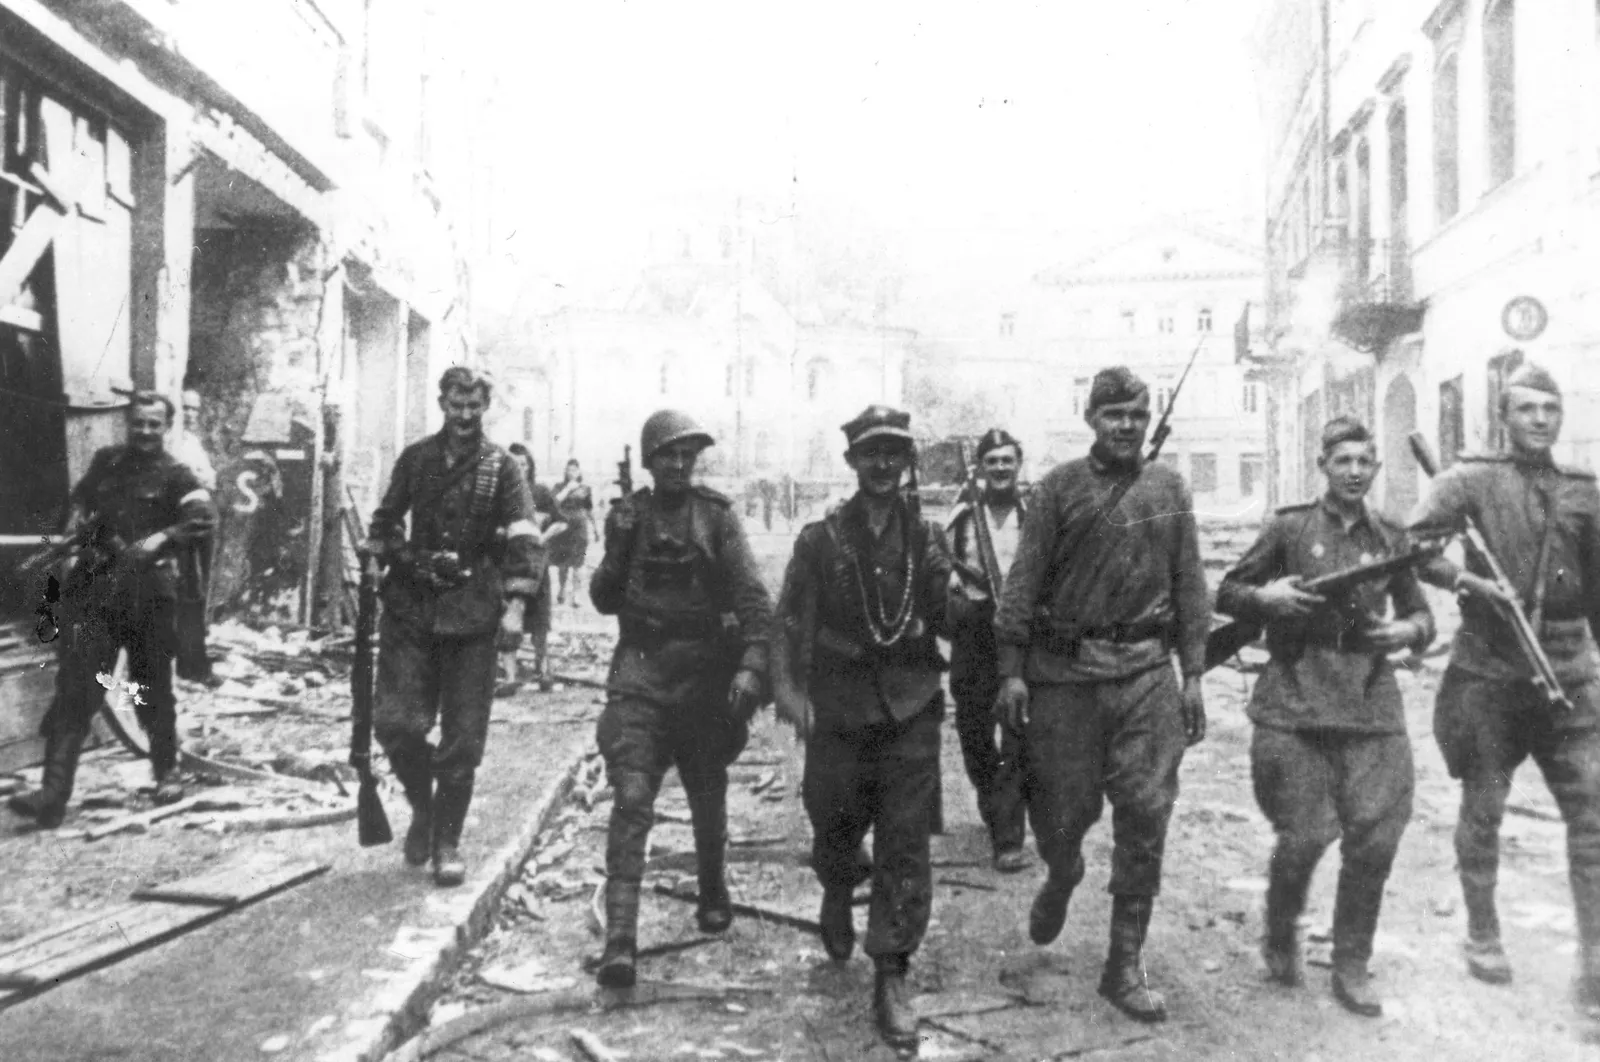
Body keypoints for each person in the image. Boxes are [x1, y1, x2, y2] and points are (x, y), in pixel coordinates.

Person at [991, 366, 1208, 1024]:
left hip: (1145, 671)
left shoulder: (1168, 487)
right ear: (1092, 419)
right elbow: (1022, 584)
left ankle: (1123, 962)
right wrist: (1011, 671)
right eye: (1114, 415)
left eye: (1138, 416)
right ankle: (1062, 874)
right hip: (1068, 677)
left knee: (1146, 812)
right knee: (1063, 816)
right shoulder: (1059, 488)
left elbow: (1191, 584)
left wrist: (1192, 674)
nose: (1127, 427)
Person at [1216, 416, 1434, 1016]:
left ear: (1375, 468)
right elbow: (1228, 591)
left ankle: (1351, 961)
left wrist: (1409, 628)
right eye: (1344, 462)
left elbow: (1421, 613)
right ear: (1323, 466)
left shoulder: (1390, 534)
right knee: (1307, 832)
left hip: (1368, 698)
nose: (1355, 472)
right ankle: (1282, 929)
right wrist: (1267, 598)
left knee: (1377, 836)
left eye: (1365, 462)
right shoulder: (1289, 527)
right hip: (1295, 696)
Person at [1407, 362, 1600, 1007]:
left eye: (1550, 409)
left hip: (1568, 672)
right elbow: (1416, 548)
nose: (1540, 420)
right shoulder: (1468, 480)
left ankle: (1595, 957)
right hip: (1490, 673)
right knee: (1483, 808)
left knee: (1592, 816)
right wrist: (1468, 581)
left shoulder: (1584, 489)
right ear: (1504, 417)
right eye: (1526, 409)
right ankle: (1483, 933)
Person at [771, 404, 953, 1051]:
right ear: (852, 462)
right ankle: (837, 884)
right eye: (871, 453)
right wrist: (792, 696)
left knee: (905, 842)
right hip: (840, 706)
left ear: (907, 463)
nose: (883, 465)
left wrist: (965, 604)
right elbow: (789, 622)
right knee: (833, 819)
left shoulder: (929, 538)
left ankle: (893, 971)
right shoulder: (821, 540)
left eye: (894, 454)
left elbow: (945, 609)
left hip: (909, 704)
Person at [591, 410, 772, 989]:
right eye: (667, 454)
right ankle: (621, 937)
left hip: (702, 676)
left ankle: (713, 888)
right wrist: (617, 544)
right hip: (640, 673)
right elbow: (602, 598)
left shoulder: (715, 518)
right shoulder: (630, 516)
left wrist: (750, 667)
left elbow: (754, 603)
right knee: (632, 795)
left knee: (705, 787)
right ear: (647, 461)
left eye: (687, 455)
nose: (677, 464)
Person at [364, 367, 542, 887]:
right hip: (413, 607)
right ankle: (424, 804)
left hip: (472, 611)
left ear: (485, 407)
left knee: (462, 740)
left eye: (475, 407)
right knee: (395, 724)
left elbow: (525, 536)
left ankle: (446, 840)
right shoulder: (416, 458)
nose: (465, 416)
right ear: (442, 402)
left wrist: (514, 605)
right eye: (456, 405)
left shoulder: (502, 468)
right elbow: (386, 519)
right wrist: (388, 553)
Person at [9, 392, 216, 827]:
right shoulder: (106, 462)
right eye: (138, 423)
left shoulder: (178, 476)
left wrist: (162, 538)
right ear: (129, 423)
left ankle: (167, 773)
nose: (144, 431)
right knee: (76, 690)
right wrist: (74, 536)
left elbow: (202, 519)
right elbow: (79, 507)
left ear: (166, 427)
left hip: (147, 597)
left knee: (152, 689)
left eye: (153, 424)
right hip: (94, 594)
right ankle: (52, 797)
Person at [947, 427, 1031, 872]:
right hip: (974, 636)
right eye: (992, 461)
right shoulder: (962, 517)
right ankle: (993, 798)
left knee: (1018, 734)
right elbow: (941, 566)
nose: (1000, 468)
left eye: (1007, 460)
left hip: (1020, 637)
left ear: (1019, 465)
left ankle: (1009, 832)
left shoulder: (1034, 516)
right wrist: (952, 587)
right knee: (974, 733)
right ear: (980, 469)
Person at [504, 443, 564, 693]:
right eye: (515, 464)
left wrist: (542, 536)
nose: (521, 468)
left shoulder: (540, 492)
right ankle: (510, 676)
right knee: (510, 617)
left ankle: (543, 670)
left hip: (538, 564)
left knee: (540, 620)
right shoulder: (504, 494)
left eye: (524, 464)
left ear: (530, 467)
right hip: (511, 562)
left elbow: (562, 522)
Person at [168, 387, 218, 685]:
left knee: (197, 593)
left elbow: (210, 477)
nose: (190, 414)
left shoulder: (193, 442)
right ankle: (190, 664)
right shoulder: (170, 443)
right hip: (181, 523)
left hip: (201, 520)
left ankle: (194, 661)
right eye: (185, 408)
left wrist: (201, 477)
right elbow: (185, 479)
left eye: (195, 409)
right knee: (187, 591)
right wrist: (199, 477)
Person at [551, 459, 598, 606]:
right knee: (563, 563)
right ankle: (562, 588)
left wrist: (595, 529)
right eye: (568, 469)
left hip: (580, 528)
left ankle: (576, 595)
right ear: (565, 471)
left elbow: (589, 510)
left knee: (579, 562)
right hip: (564, 528)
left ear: (579, 472)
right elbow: (554, 503)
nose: (571, 472)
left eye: (574, 470)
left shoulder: (585, 489)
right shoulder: (559, 487)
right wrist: (567, 489)